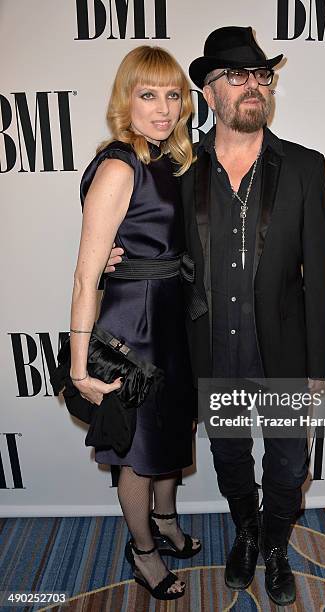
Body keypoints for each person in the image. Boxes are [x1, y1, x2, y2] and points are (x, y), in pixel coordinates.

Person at [107, 27, 325, 606]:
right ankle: (247, 531)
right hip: (209, 347)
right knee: (230, 455)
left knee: (288, 461)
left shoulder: (306, 167)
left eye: (261, 75)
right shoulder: (178, 169)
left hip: (281, 348)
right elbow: (142, 225)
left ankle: (277, 544)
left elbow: (319, 276)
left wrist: (321, 365)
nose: (253, 86)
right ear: (208, 93)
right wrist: (116, 252)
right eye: (237, 76)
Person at [69, 46, 201, 601]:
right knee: (140, 453)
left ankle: (167, 523)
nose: (164, 107)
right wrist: (79, 368)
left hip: (172, 320)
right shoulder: (122, 164)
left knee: (172, 434)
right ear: (126, 100)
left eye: (173, 94)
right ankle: (143, 550)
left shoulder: (171, 161)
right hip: (134, 328)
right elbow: (85, 275)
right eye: (149, 94)